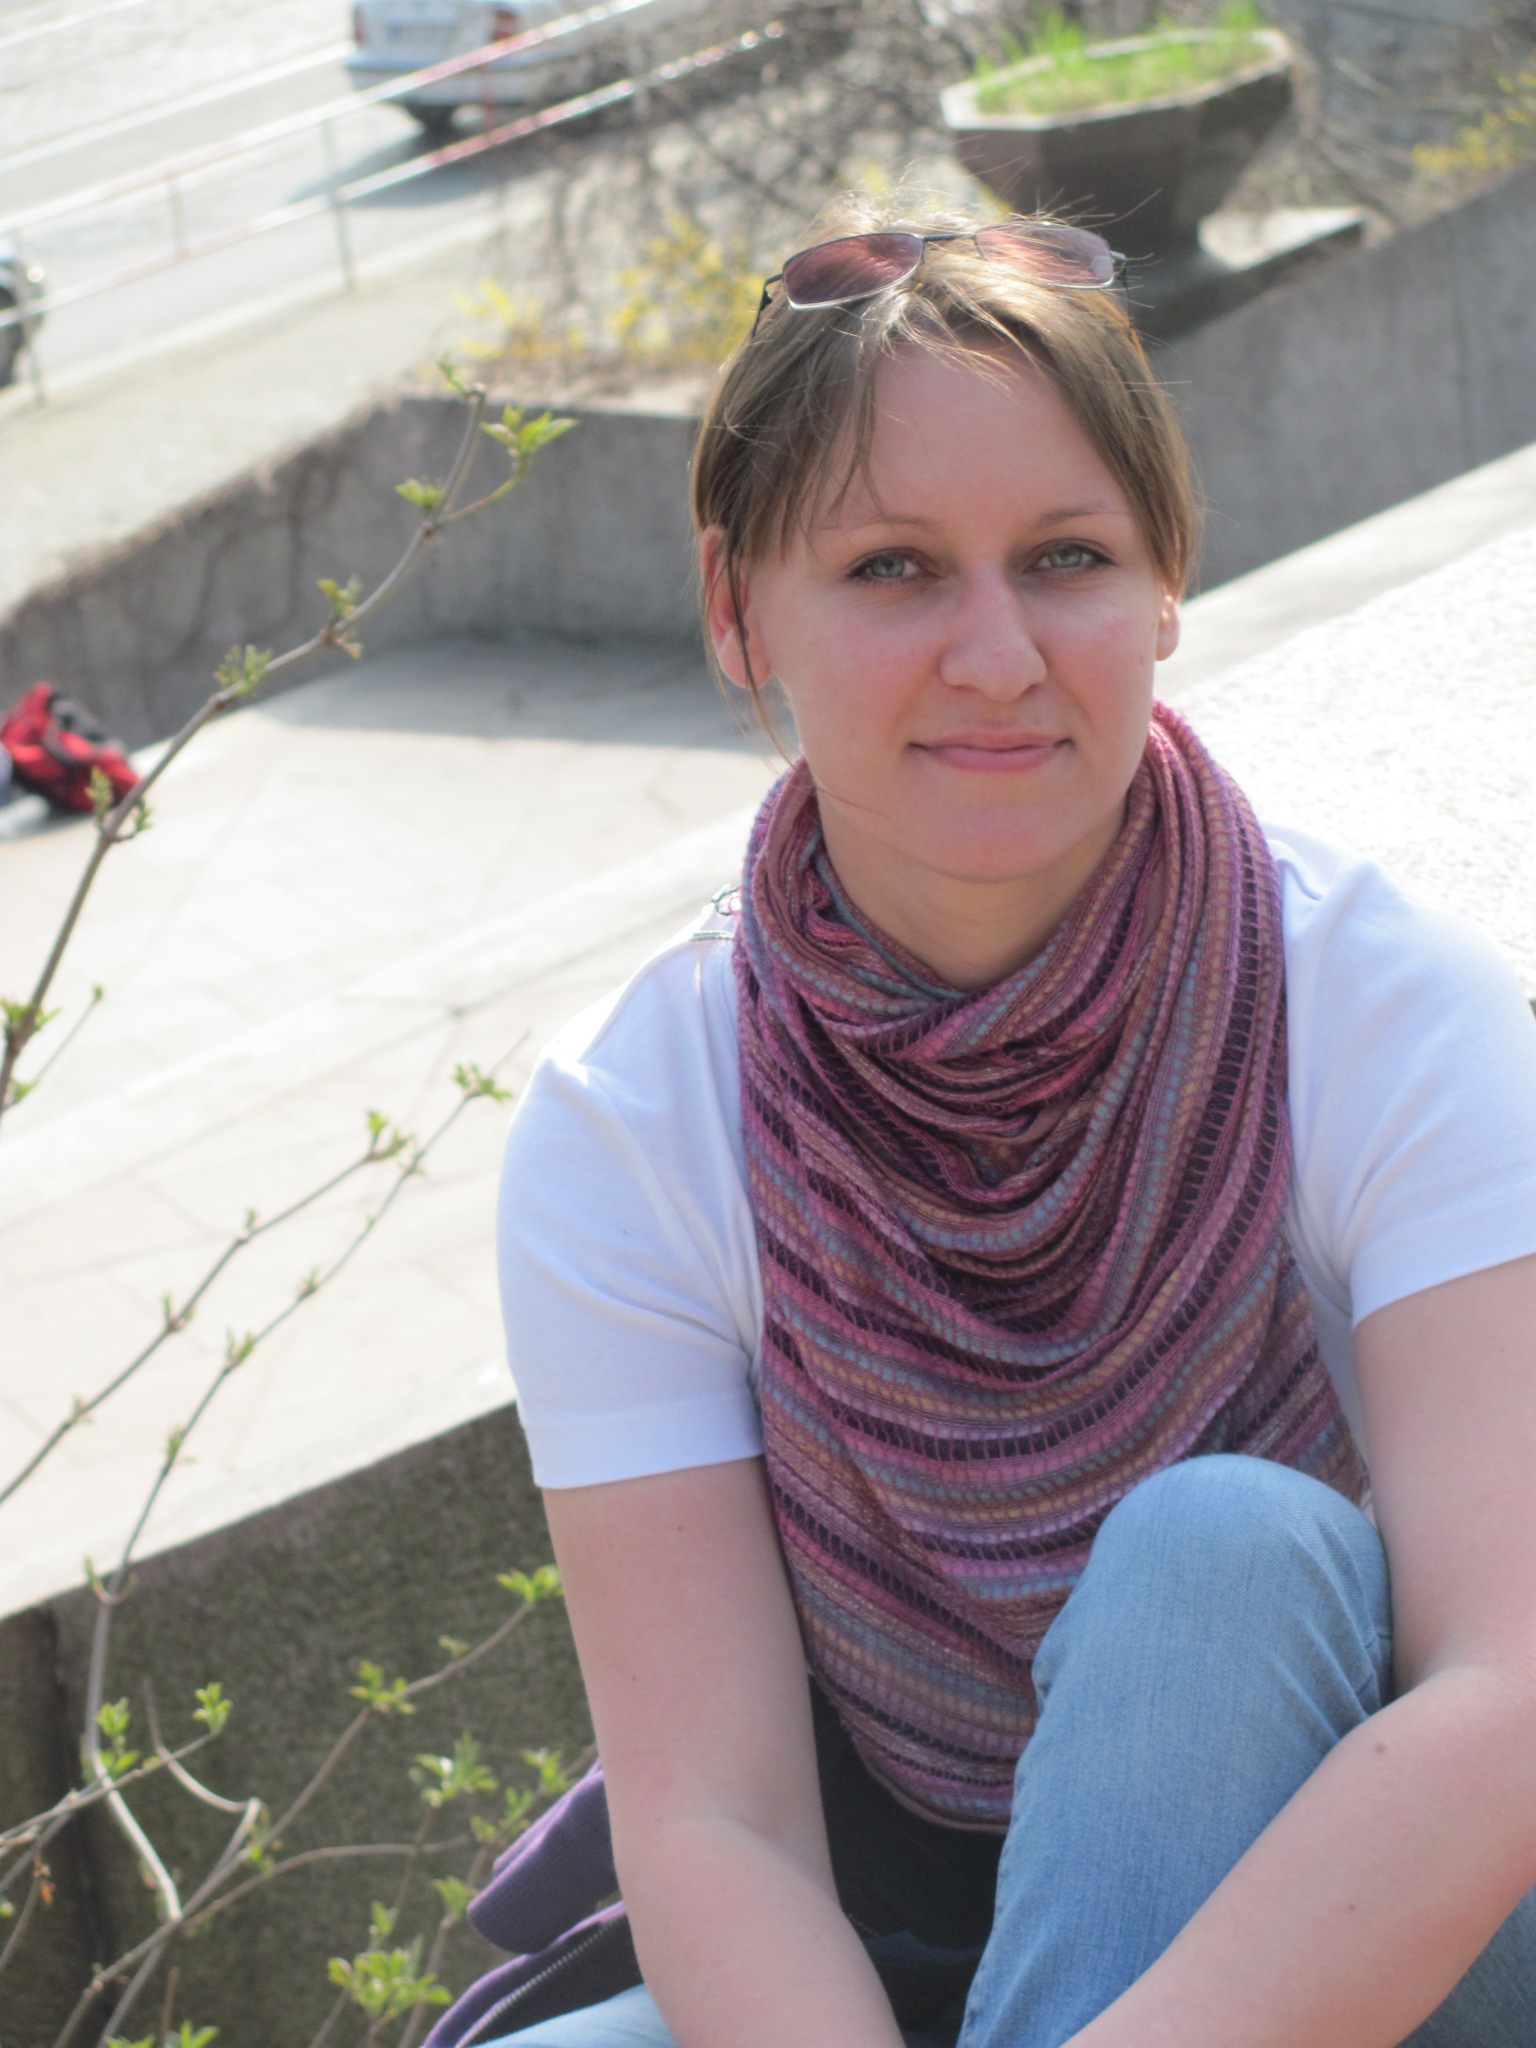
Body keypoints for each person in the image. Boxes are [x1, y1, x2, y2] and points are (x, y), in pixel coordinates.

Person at [486, 198, 1536, 2048]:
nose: (996, 654)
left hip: (1405, 1912)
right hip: (905, 1939)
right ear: (737, 606)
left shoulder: (1385, 1009)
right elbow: (721, 1822)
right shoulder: (630, 1129)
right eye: (893, 568)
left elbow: (1508, 1696)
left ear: (1166, 586)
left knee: (1222, 1555)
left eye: (1066, 557)